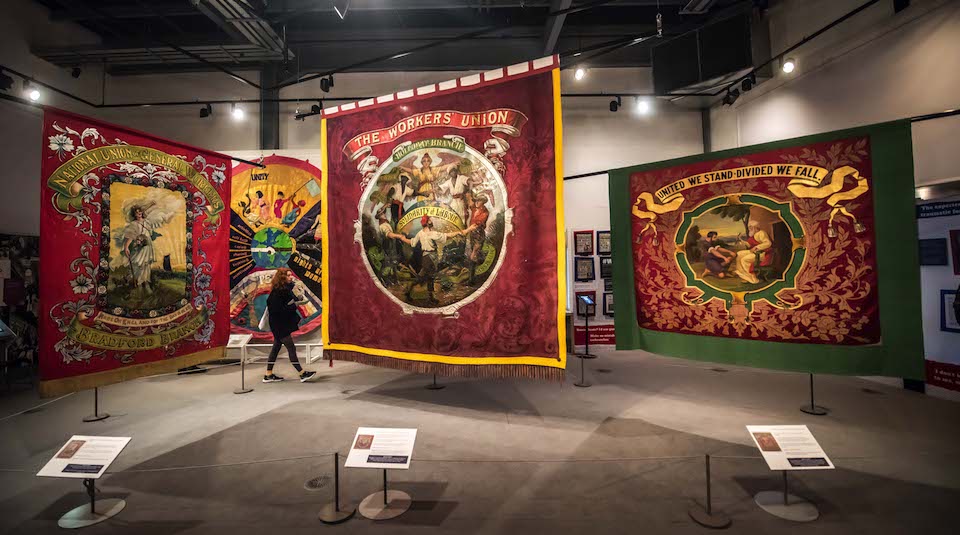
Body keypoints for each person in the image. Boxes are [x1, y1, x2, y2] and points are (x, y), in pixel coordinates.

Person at [263, 268, 316, 383]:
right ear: (282, 278)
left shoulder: (285, 288)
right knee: (291, 348)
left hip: (280, 324)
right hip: (279, 325)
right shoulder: (278, 291)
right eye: (288, 276)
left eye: (291, 275)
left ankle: (268, 374)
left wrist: (297, 292)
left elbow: (293, 298)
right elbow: (276, 309)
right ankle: (302, 373)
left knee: (276, 348)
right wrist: (294, 305)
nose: (291, 277)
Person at [397, 216, 462, 303]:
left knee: (424, 277)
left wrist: (404, 239)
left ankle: (410, 292)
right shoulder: (431, 233)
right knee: (429, 277)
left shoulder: (421, 233)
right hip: (428, 257)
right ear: (427, 223)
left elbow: (412, 243)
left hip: (429, 257)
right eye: (430, 220)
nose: (432, 221)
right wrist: (458, 232)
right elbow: (446, 236)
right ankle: (430, 297)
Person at [122, 203, 160, 293]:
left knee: (146, 265)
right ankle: (137, 283)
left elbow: (148, 210)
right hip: (139, 246)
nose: (139, 214)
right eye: (137, 212)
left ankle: (146, 283)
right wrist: (126, 247)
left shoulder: (146, 222)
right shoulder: (134, 224)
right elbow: (131, 236)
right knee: (138, 264)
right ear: (134, 214)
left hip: (148, 245)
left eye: (140, 212)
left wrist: (152, 205)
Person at [461, 193, 490, 284]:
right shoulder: (474, 208)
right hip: (473, 235)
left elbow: (476, 225)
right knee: (474, 255)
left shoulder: (485, 212)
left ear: (483, 202)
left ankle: (471, 280)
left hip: (479, 235)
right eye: (476, 200)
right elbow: (469, 201)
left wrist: (466, 230)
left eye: (479, 201)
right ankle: (472, 277)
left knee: (473, 256)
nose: (477, 202)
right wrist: (467, 194)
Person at [734, 220, 773, 284]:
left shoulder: (761, 233)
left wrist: (757, 247)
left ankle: (753, 279)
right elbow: (749, 245)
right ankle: (745, 276)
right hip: (755, 252)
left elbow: (768, 243)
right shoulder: (754, 234)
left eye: (750, 227)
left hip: (762, 254)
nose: (749, 229)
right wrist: (741, 240)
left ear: (755, 227)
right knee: (739, 254)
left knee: (744, 260)